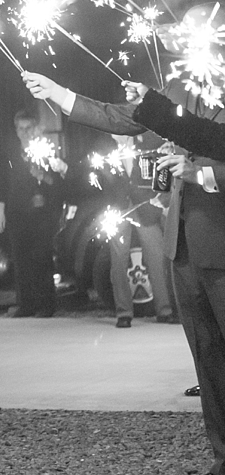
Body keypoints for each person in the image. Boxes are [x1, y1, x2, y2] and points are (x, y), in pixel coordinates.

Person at [23, 70, 225, 475]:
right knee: (208, 362)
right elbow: (118, 116)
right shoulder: (177, 91)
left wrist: (200, 174)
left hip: (222, 246)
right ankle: (224, 464)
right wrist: (60, 93)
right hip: (183, 246)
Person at [0, 107, 68, 318]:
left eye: (29, 128)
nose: (25, 133)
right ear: (16, 130)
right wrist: (0, 212)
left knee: (42, 257)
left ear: (36, 129)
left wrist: (43, 179)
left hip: (41, 215)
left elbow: (59, 183)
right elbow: (2, 184)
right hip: (17, 213)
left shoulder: (46, 152)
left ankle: (46, 304)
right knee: (21, 259)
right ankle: (26, 304)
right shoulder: (11, 154)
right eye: (21, 129)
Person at [101, 132, 175, 328]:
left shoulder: (151, 140)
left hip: (146, 206)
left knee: (157, 257)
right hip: (118, 207)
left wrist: (163, 197)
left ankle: (165, 310)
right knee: (118, 260)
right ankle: (123, 313)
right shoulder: (105, 146)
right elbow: (99, 177)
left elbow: (162, 169)